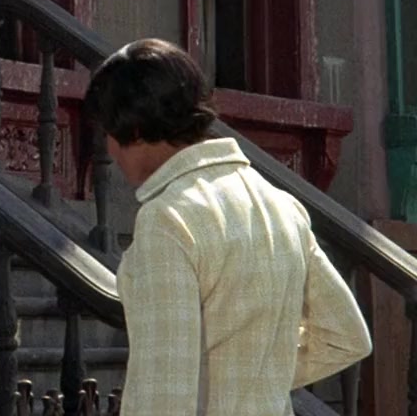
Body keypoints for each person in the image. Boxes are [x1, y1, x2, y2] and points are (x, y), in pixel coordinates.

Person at [82, 39, 371, 416]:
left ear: (133, 129)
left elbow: (165, 397)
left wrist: (224, 382)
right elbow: (344, 336)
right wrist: (251, 376)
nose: (108, 148)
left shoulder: (168, 218)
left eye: (108, 131)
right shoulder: (282, 206)